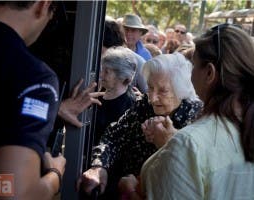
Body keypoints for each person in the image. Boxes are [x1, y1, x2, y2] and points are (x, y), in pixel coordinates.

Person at [0, 2, 103, 199]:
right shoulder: (33, 77)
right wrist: (54, 176)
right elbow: (14, 194)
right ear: (43, 5)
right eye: (54, 14)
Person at [126, 24, 254, 199]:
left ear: (209, 73)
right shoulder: (242, 126)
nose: (189, 76)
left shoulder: (188, 144)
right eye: (150, 88)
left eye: (192, 66)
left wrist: (130, 191)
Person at [78, 53, 203, 198]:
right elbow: (113, 136)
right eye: (150, 88)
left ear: (181, 89)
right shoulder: (144, 104)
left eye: (163, 91)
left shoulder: (197, 116)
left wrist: (168, 143)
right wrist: (99, 167)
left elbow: (190, 175)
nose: (153, 98)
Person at [94, 46, 137, 145]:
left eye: (106, 72)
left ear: (121, 76)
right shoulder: (99, 94)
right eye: (102, 70)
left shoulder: (129, 105)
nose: (101, 75)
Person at [103, 18, 148, 94]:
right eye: (126, 29)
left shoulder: (139, 62)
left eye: (133, 30)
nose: (129, 33)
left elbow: (148, 93)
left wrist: (140, 98)